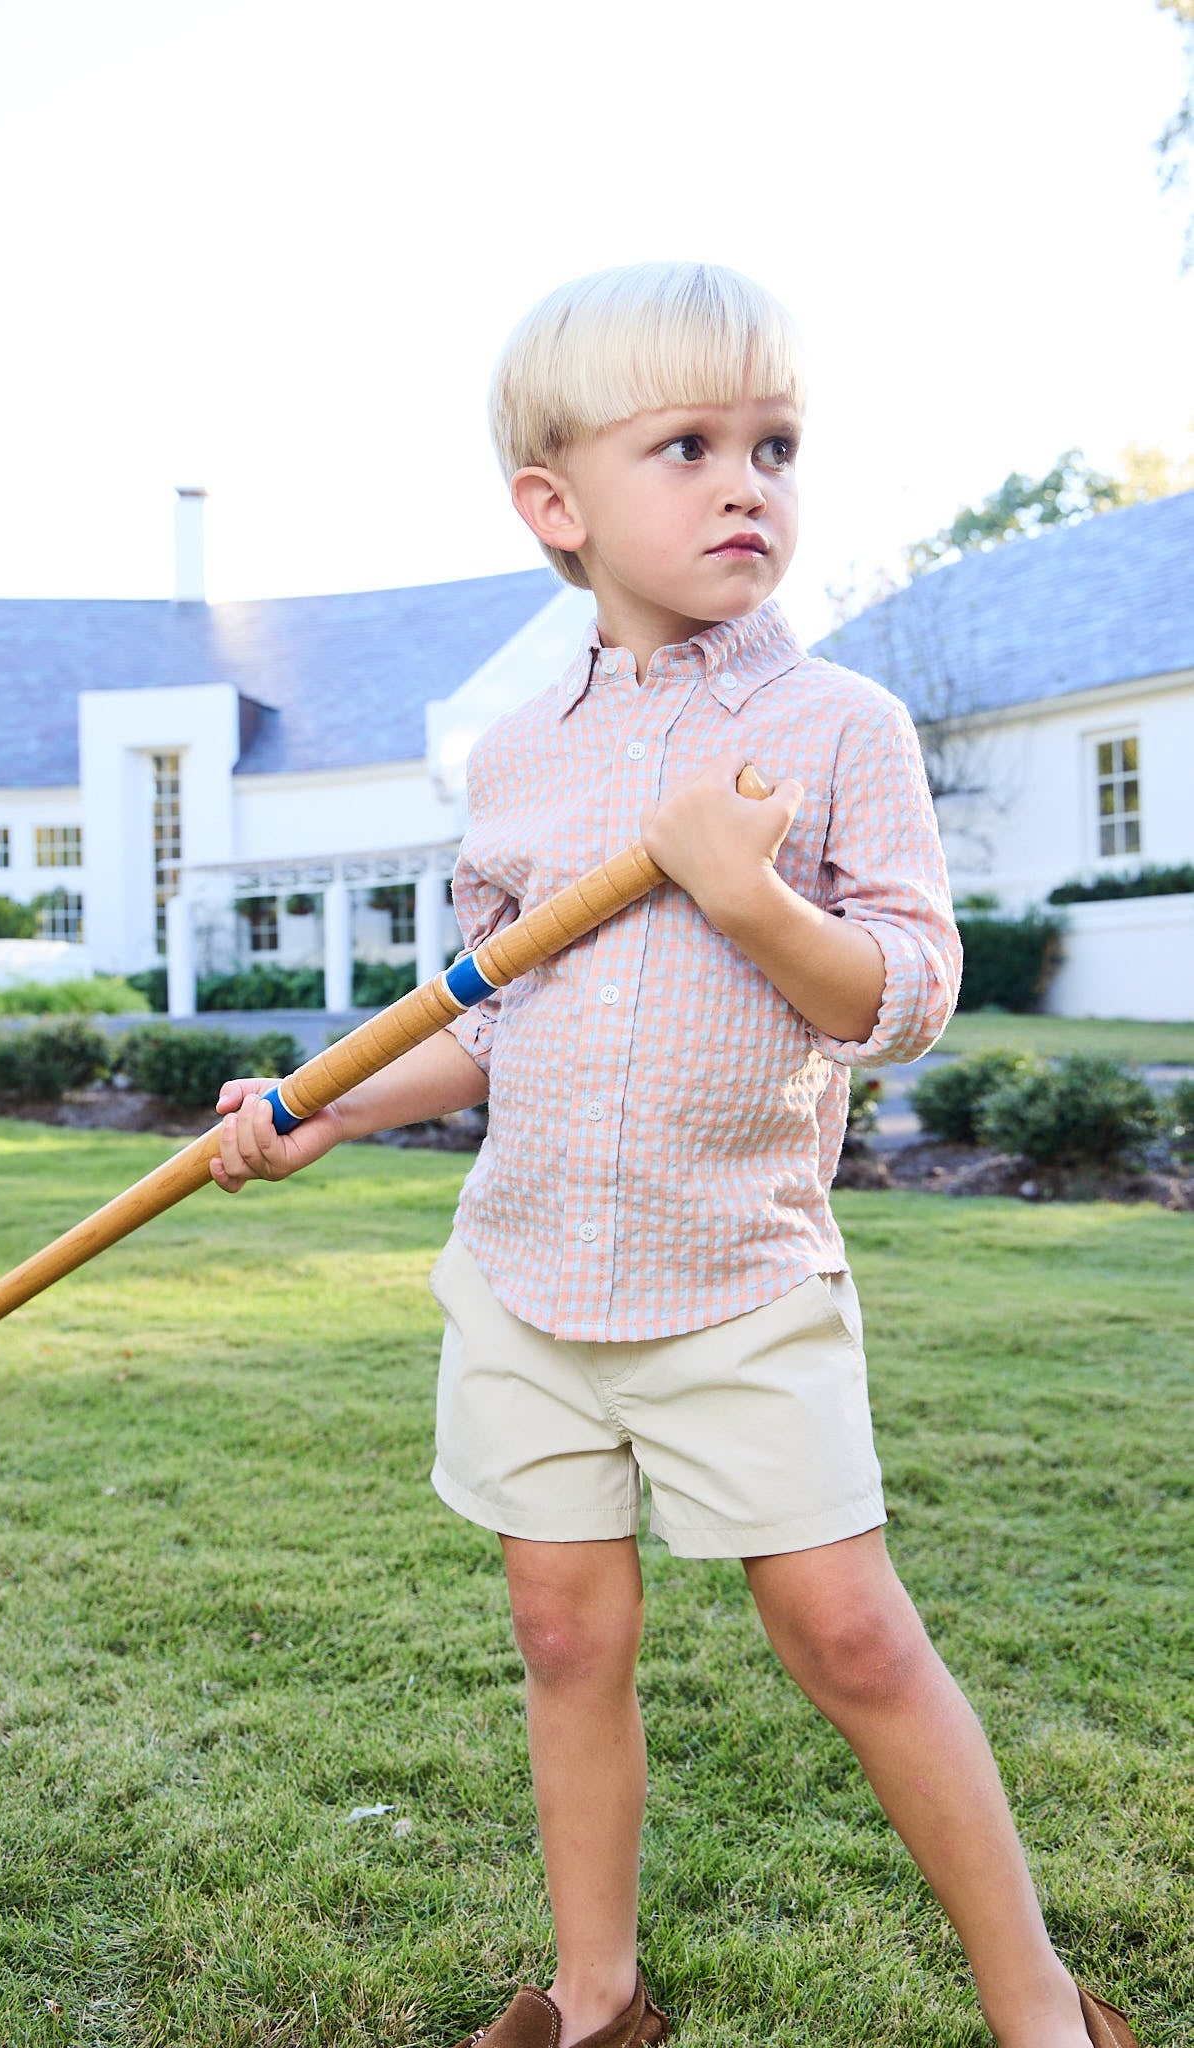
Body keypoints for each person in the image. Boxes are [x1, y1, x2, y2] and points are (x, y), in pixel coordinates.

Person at [211, 264, 1140, 2048]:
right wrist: (320, 1114)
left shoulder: (837, 731)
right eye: (687, 446)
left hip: (737, 1285)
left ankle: (1039, 2010)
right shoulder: (512, 762)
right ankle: (593, 1999)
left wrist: (743, 894)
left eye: (775, 445)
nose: (747, 484)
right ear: (554, 506)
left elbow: (904, 1000)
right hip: (527, 1278)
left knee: (850, 1639)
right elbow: (487, 1018)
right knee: (565, 1637)